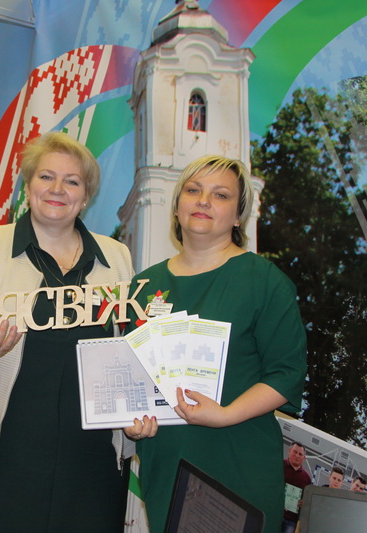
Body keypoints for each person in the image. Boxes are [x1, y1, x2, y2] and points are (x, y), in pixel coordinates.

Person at [0, 132, 156, 532]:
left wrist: (137, 409)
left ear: (85, 196)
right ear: (28, 185)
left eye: (72, 181)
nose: (57, 189)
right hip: (0, 449)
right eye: (46, 177)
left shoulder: (117, 256)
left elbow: (130, 348)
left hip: (90, 457)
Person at [128, 155, 307, 533]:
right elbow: (135, 377)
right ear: (177, 205)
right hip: (166, 464)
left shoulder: (265, 281)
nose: (204, 201)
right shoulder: (143, 286)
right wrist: (134, 423)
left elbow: (286, 374)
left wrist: (225, 414)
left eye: (220, 195)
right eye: (193, 190)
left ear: (239, 216)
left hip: (237, 460)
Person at [282, 442, 312, 533]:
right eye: (295, 452)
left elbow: (307, 501)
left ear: (304, 458)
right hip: (275, 513)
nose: (297, 455)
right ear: (289, 451)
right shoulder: (279, 466)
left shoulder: (307, 478)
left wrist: (303, 503)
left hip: (291, 520)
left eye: (300, 454)